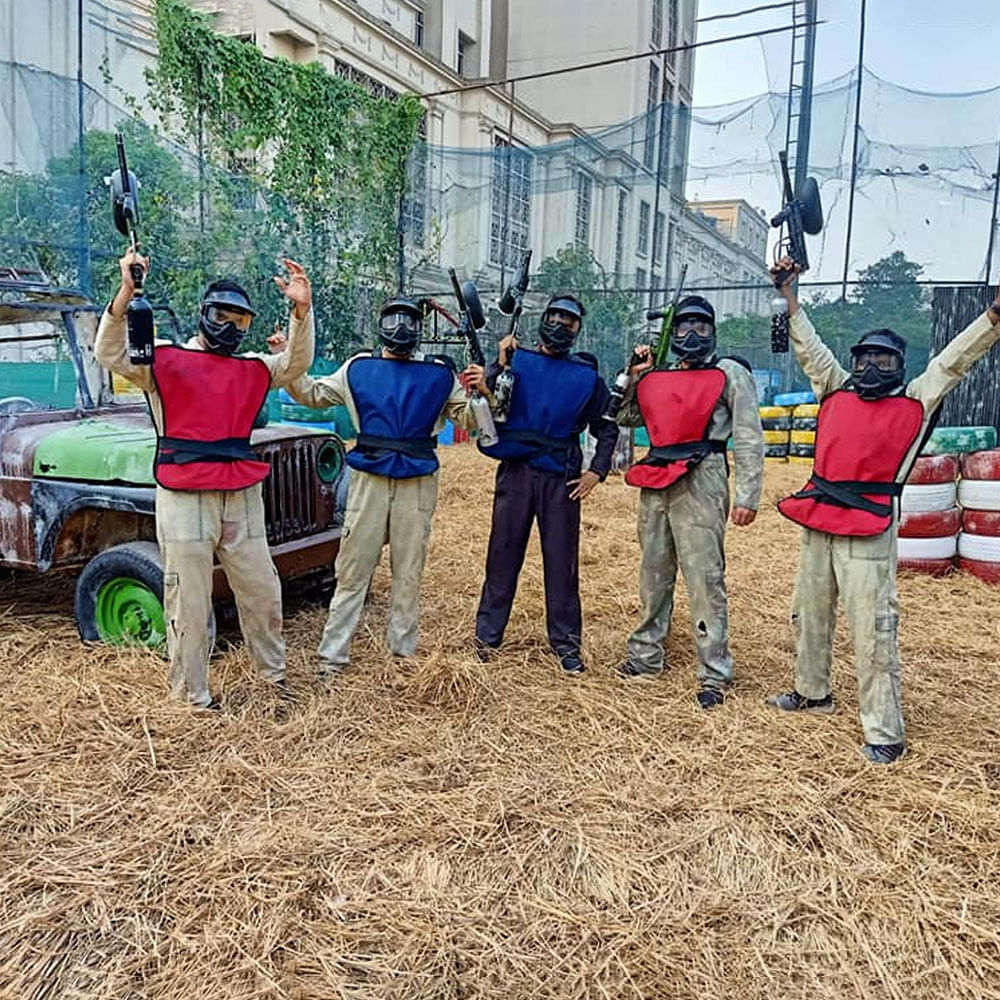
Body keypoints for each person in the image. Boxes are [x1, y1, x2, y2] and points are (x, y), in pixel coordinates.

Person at [766, 257, 1000, 763]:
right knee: (809, 614)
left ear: (901, 366)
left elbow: (952, 364)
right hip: (820, 515)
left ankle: (884, 732)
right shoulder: (834, 388)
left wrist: (992, 319)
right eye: (865, 358)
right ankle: (812, 692)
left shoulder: (916, 402)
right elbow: (810, 348)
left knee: (874, 629)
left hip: (870, 527)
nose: (871, 368)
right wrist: (789, 297)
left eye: (884, 361)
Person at [95, 250, 314, 710]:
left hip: (241, 495)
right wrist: (126, 293)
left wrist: (301, 311)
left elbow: (293, 365)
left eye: (241, 320)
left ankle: (273, 679)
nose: (231, 327)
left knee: (262, 590)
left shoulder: (252, 368)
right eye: (222, 316)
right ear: (202, 313)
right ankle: (192, 696)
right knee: (187, 600)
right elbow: (109, 352)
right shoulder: (165, 361)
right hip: (185, 493)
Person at [277, 297, 479, 676]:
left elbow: (467, 417)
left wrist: (483, 393)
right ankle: (331, 659)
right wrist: (289, 363)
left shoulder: (438, 374)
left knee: (408, 572)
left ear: (420, 328)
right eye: (393, 318)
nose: (401, 326)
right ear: (381, 323)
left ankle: (402, 658)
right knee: (353, 570)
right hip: (369, 479)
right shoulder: (359, 367)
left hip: (416, 483)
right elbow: (314, 395)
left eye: (409, 319)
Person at [615, 294, 764, 707]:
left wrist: (749, 494)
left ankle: (714, 671)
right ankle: (645, 656)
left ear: (713, 331)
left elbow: (749, 435)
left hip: (704, 474)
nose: (692, 334)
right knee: (653, 571)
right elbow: (627, 417)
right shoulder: (659, 375)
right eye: (683, 327)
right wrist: (635, 377)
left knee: (704, 576)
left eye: (701, 326)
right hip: (658, 476)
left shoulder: (728, 373)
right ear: (672, 332)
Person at [465, 293, 618, 675]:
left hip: (562, 478)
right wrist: (498, 364)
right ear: (542, 319)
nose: (560, 326)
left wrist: (596, 471)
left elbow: (606, 427)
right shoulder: (517, 360)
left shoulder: (587, 377)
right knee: (502, 555)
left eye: (569, 321)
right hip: (516, 470)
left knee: (562, 562)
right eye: (555, 317)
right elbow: (489, 403)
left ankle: (566, 644)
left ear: (579, 328)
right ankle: (487, 637)